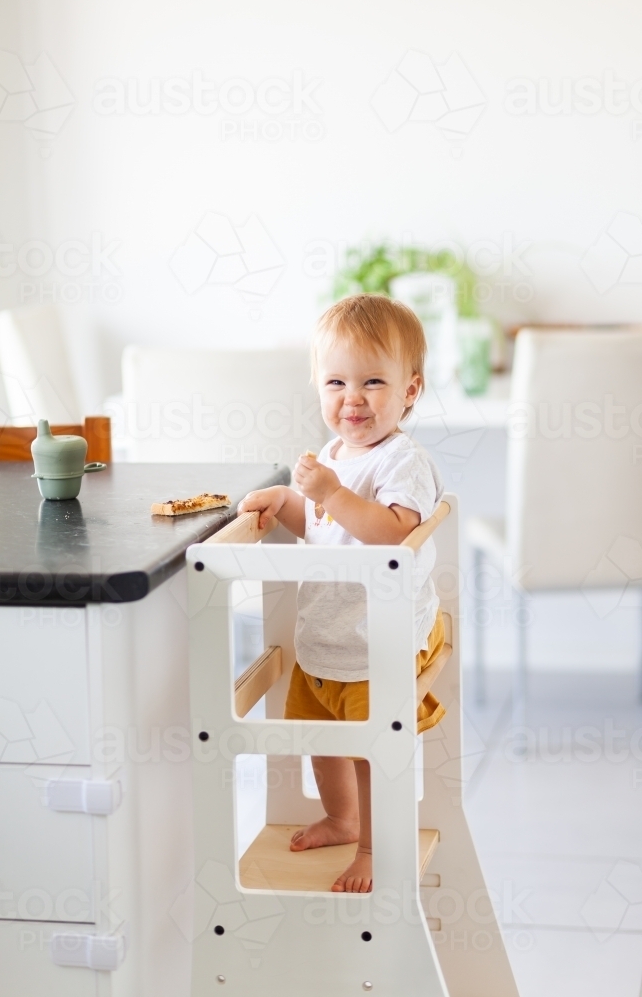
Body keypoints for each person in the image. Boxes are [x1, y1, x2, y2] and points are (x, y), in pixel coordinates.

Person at [238, 293, 446, 893]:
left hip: (376, 644)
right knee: (319, 741)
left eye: (373, 381)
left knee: (369, 753)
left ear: (410, 389)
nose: (352, 398)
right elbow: (328, 529)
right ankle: (340, 816)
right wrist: (289, 505)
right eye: (335, 382)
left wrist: (330, 493)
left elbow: (392, 535)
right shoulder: (333, 453)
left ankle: (377, 849)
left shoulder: (403, 460)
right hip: (327, 637)